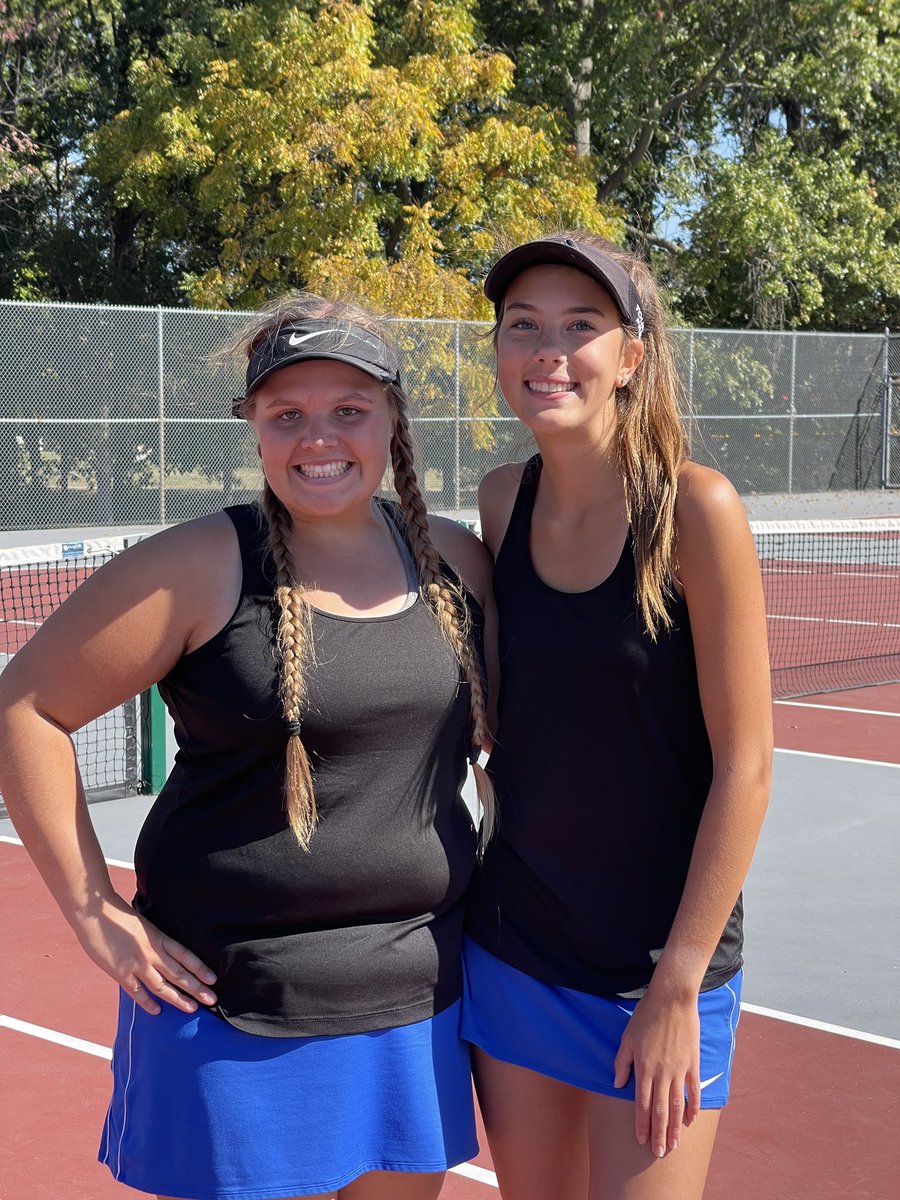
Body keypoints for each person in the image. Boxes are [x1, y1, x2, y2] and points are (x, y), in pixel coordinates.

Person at [0, 293, 497, 1200]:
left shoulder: (458, 564)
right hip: (229, 1012)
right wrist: (92, 912)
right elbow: (24, 709)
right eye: (287, 415)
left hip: (414, 1004)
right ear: (254, 427)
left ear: (394, 417)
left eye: (349, 410)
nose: (320, 437)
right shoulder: (198, 563)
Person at [460, 234, 773, 1200]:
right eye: (524, 328)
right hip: (515, 948)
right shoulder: (501, 500)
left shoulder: (696, 511)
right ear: (501, 353)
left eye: (580, 327)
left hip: (658, 972)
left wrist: (678, 984)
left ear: (631, 357)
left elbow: (748, 767)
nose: (548, 350)